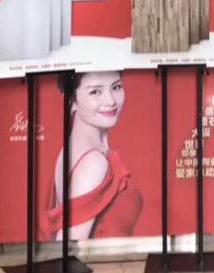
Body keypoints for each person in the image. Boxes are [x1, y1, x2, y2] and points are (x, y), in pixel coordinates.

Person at [42, 70, 143, 240]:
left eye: (116, 87)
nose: (111, 101)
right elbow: (68, 245)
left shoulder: (72, 150)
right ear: (71, 101)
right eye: (95, 91)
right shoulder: (93, 163)